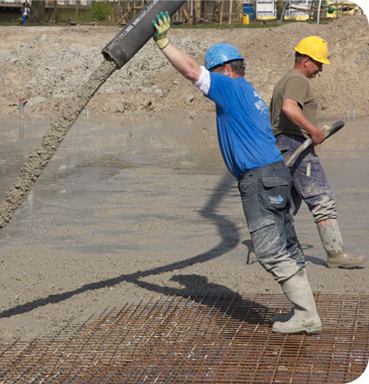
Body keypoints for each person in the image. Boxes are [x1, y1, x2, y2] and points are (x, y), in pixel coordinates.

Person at [151, 12, 321, 334]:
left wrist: (164, 43)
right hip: (274, 175)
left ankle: (307, 315)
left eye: (214, 74)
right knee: (285, 245)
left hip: (259, 178)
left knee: (270, 249)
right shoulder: (249, 93)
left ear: (227, 70)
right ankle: (305, 312)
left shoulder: (229, 88)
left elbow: (190, 71)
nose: (210, 84)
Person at [269, 36, 366, 269]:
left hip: (281, 145)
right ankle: (335, 254)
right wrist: (313, 130)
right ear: (305, 61)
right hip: (296, 145)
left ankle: (275, 247)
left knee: (288, 203)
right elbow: (289, 107)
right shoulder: (297, 80)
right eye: (319, 63)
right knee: (322, 197)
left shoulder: (284, 79)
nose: (321, 69)